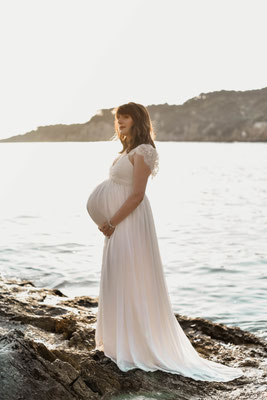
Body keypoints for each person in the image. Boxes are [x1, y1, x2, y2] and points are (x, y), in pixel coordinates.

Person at [86, 102, 244, 381]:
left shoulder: (144, 152)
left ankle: (137, 344)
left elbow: (136, 195)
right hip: (117, 225)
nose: (120, 122)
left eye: (125, 117)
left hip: (129, 223)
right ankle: (118, 340)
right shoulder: (125, 151)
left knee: (130, 275)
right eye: (118, 117)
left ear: (137, 120)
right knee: (118, 276)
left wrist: (112, 222)